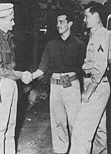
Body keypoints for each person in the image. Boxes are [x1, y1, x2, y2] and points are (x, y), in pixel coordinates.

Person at [22, 8, 86, 154]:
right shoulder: (51, 45)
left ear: (70, 23)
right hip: (55, 88)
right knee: (59, 123)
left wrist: (85, 90)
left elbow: (85, 70)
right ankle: (60, 150)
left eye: (61, 22)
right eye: (57, 22)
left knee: (75, 122)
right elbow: (43, 67)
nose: (58, 25)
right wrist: (30, 77)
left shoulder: (79, 45)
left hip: (72, 87)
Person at [0, 3, 28, 154]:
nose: (14, 23)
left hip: (11, 83)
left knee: (11, 125)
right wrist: (21, 75)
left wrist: (17, 75)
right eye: (11, 19)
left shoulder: (8, 38)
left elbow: (10, 65)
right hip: (1, 85)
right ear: (2, 20)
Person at [69, 2, 110, 154]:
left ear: (96, 15)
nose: (84, 20)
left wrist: (89, 90)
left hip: (97, 86)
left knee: (81, 131)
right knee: (99, 130)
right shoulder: (95, 35)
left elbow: (100, 66)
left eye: (86, 16)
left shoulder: (102, 35)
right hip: (97, 84)